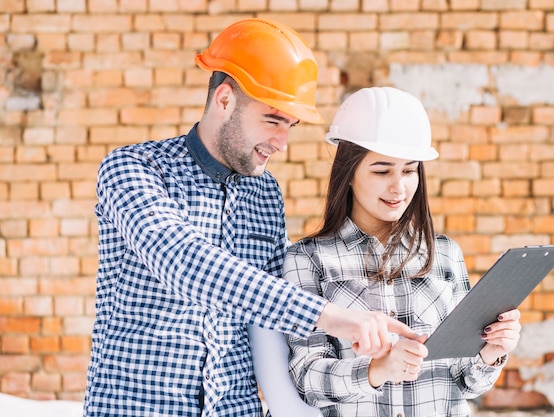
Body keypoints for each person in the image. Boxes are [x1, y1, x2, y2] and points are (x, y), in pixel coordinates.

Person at [83, 20, 418, 417]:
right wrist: (331, 317)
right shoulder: (134, 169)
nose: (282, 143)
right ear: (224, 100)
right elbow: (183, 263)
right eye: (273, 120)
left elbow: (270, 321)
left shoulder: (265, 194)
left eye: (290, 126)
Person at [256, 86, 522, 417]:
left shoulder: (445, 255)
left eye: (409, 170)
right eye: (382, 171)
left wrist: (490, 353)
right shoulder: (308, 260)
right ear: (348, 174)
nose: (398, 187)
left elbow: (467, 384)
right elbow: (306, 379)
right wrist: (377, 371)